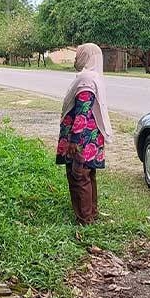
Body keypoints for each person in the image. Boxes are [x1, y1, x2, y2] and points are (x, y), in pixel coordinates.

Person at [56, 43, 112, 225]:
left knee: (78, 176)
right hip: (91, 137)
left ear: (86, 57)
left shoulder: (86, 80)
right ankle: (91, 213)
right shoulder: (94, 77)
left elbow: (83, 111)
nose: (75, 59)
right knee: (88, 175)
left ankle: (85, 218)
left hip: (81, 138)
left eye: (78, 55)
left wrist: (74, 140)